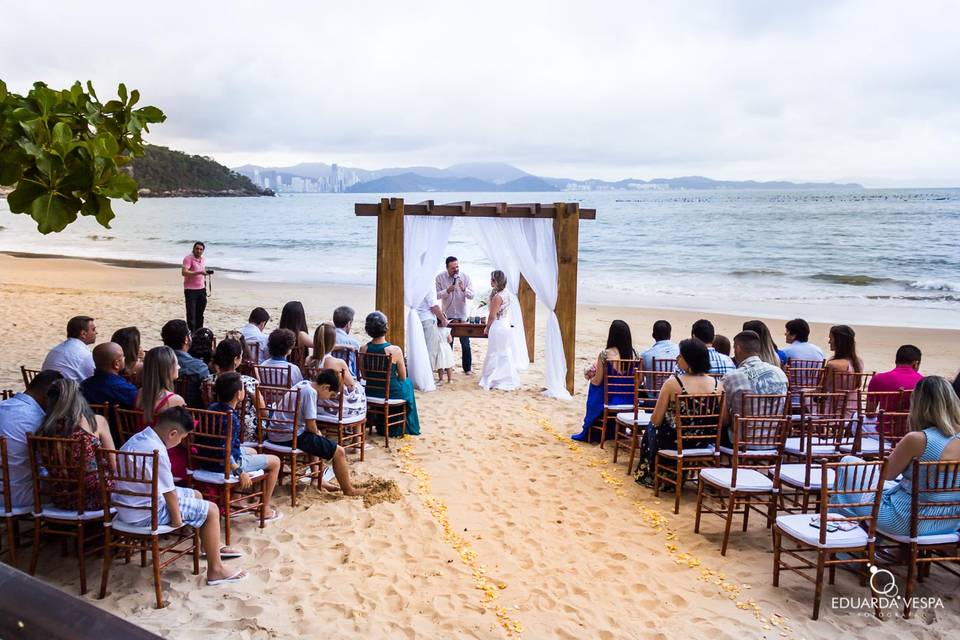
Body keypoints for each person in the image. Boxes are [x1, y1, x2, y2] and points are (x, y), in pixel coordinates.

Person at [114, 406, 246, 585]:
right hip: (146, 514)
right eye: (182, 437)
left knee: (197, 495)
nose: (182, 441)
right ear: (173, 433)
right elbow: (169, 493)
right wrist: (176, 521)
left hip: (127, 508)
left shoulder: (136, 439)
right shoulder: (157, 452)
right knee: (212, 510)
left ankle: (209, 547)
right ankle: (216, 570)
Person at [832, 376, 960, 537]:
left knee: (848, 463)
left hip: (905, 520)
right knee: (862, 487)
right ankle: (855, 539)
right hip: (948, 523)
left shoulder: (918, 439)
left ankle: (844, 539)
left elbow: (887, 474)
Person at [635, 339, 721, 487]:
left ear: (689, 360)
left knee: (651, 427)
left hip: (675, 441)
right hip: (703, 440)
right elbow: (722, 420)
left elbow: (656, 419)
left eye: (680, 356)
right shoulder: (717, 385)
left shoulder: (673, 384)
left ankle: (651, 473)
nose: (677, 358)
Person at [269, 369, 367, 496]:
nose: (329, 398)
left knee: (317, 439)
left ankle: (316, 479)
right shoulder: (310, 393)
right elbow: (310, 425)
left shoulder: (303, 384)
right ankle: (348, 489)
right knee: (339, 451)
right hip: (289, 436)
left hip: (277, 432)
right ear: (326, 387)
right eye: (331, 395)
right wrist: (318, 433)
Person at [205, 373, 282, 521]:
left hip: (208, 459)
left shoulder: (211, 408)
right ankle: (264, 509)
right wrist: (239, 472)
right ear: (239, 394)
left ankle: (238, 499)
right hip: (224, 464)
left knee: (252, 450)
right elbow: (225, 451)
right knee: (275, 462)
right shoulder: (230, 417)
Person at [36, 379, 116, 511]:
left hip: (60, 498)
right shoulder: (96, 422)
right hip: (97, 497)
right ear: (79, 399)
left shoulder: (43, 430)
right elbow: (114, 466)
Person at [0, 370, 63, 509]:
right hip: (21, 495)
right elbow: (49, 466)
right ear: (48, 395)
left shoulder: (3, 406)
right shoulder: (39, 419)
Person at [571, 320, 638, 442]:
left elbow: (597, 381)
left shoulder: (605, 355)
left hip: (610, 400)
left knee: (595, 386)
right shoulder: (635, 355)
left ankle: (590, 425)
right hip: (629, 401)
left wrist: (590, 378)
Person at [360, 311, 421, 436]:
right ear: (385, 328)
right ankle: (406, 426)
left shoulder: (363, 349)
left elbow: (364, 375)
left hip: (371, 392)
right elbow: (403, 377)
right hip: (390, 393)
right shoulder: (394, 350)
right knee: (408, 384)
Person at [720, 331, 788, 439]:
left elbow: (723, 419)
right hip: (774, 440)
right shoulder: (779, 373)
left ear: (738, 348)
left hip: (741, 441)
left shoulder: (731, 377)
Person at [136, 346, 189, 479]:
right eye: (176, 364)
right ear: (167, 369)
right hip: (168, 459)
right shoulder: (175, 400)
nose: (179, 367)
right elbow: (186, 438)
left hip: (143, 455)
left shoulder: (141, 394)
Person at [306, 323, 367, 422]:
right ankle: (357, 432)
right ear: (333, 342)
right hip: (333, 408)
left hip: (316, 405)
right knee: (358, 388)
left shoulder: (308, 360)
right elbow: (351, 385)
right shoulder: (338, 363)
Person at [206, 339, 264, 443]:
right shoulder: (248, 382)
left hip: (214, 430)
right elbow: (264, 412)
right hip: (244, 434)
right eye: (241, 356)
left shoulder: (207, 381)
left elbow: (207, 405)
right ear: (235, 359)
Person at [479, 270, 520, 391]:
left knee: (493, 352)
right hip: (505, 324)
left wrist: (487, 327)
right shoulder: (506, 293)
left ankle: (494, 378)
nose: (490, 281)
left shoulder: (497, 297)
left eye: (492, 279)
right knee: (504, 351)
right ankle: (506, 377)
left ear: (496, 281)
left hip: (497, 326)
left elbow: (492, 316)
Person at [435, 256, 475, 375]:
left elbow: (472, 295)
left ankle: (467, 369)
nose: (456, 269)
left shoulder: (465, 277)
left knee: (465, 344)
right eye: (453, 268)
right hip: (447, 316)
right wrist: (447, 291)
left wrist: (464, 290)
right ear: (447, 268)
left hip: (462, 316)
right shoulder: (440, 278)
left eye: (457, 266)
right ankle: (448, 369)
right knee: (448, 344)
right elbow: (435, 296)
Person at [161, 319, 209, 407]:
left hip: (160, 411)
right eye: (190, 333)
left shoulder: (155, 363)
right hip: (193, 414)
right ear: (186, 339)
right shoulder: (200, 367)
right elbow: (207, 396)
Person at [80, 342, 139, 409]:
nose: (124, 358)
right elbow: (140, 405)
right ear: (116, 364)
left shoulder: (83, 385)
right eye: (123, 356)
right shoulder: (124, 389)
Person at [866, 345, 923, 412]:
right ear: (915, 363)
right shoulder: (924, 382)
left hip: (884, 422)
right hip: (913, 422)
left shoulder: (878, 379)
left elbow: (870, 413)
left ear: (896, 361)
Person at [41, 315, 97, 382]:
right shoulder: (84, 355)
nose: (96, 332)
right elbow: (95, 380)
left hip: (45, 390)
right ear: (83, 334)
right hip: (66, 391)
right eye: (93, 330)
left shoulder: (57, 349)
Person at [416, 289, 448, 378]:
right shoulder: (429, 284)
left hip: (416, 320)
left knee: (419, 350)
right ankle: (427, 377)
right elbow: (434, 306)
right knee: (430, 350)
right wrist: (443, 319)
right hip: (427, 320)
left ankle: (419, 375)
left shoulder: (417, 284)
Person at [182, 241, 210, 332]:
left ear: (203, 251)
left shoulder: (203, 259)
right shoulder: (188, 259)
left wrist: (205, 273)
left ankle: (199, 333)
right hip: (190, 290)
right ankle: (191, 335)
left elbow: (202, 271)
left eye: (201, 249)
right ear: (193, 249)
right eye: (197, 249)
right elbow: (184, 272)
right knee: (191, 315)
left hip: (201, 289)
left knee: (200, 314)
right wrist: (199, 272)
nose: (199, 251)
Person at [332, 306, 361, 377]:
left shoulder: (326, 339)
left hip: (329, 376)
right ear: (348, 324)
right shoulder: (354, 343)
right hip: (347, 377)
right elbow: (355, 367)